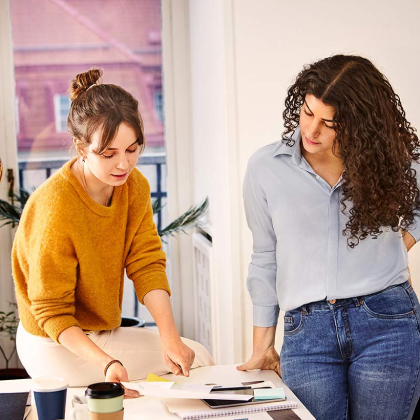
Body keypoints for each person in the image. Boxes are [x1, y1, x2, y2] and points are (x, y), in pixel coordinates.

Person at [237, 55, 420, 420]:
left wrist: (406, 238)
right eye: (307, 113)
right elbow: (265, 257)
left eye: (328, 122)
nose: (311, 130)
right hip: (308, 332)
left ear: (357, 124)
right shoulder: (265, 168)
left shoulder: (390, 161)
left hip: (386, 322)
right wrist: (263, 345)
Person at [13, 69, 214, 394]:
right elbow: (51, 312)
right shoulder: (56, 205)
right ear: (81, 148)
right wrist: (106, 363)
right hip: (51, 343)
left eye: (132, 150)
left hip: (97, 331)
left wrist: (169, 336)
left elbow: (146, 262)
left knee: (191, 355)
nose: (123, 164)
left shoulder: (133, 187)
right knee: (197, 361)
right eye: (109, 154)